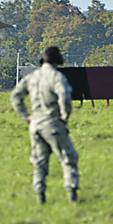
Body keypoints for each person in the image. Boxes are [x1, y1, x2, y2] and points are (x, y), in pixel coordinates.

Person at [11, 46, 79, 204]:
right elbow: (65, 97)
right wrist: (65, 116)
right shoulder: (57, 77)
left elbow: (16, 96)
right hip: (53, 122)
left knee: (39, 162)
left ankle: (40, 194)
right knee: (68, 158)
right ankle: (71, 191)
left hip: (35, 124)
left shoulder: (33, 77)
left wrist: (26, 116)